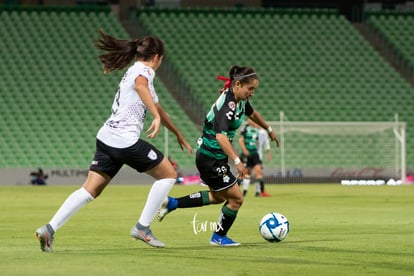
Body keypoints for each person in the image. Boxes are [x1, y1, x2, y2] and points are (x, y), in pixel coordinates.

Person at [34, 29, 192, 252]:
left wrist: (177, 133)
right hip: (124, 140)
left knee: (90, 190)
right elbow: (141, 87)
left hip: (106, 138)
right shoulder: (144, 71)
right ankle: (142, 228)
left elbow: (157, 107)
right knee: (169, 174)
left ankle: (49, 229)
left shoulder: (134, 70)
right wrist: (155, 117)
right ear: (157, 57)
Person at [157, 65, 279, 246]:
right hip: (211, 158)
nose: (252, 93)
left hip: (212, 157)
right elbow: (221, 137)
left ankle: (173, 203)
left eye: (254, 89)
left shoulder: (240, 100)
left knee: (219, 197)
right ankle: (219, 237)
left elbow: (252, 113)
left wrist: (268, 129)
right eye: (250, 89)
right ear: (238, 85)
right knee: (237, 199)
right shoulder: (228, 104)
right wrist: (237, 161)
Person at [238, 118, 272, 197]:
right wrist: (244, 150)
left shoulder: (260, 131)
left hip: (256, 154)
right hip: (247, 154)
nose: (252, 121)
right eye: (250, 120)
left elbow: (265, 142)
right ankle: (242, 191)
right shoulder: (246, 128)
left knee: (258, 172)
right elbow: (241, 140)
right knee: (245, 173)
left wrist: (268, 153)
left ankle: (260, 192)